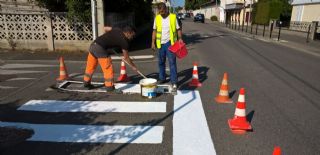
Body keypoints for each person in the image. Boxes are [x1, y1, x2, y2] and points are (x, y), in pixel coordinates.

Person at [83, 26, 137, 93]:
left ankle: (86, 83)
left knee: (90, 66)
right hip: (100, 48)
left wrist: (107, 40)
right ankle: (110, 88)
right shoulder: (124, 42)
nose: (132, 38)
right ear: (128, 33)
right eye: (132, 35)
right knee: (108, 68)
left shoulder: (117, 29)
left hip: (93, 45)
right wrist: (133, 66)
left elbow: (105, 28)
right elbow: (126, 57)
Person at [151, 2, 183, 91]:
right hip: (160, 44)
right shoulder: (157, 18)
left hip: (171, 43)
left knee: (172, 63)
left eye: (162, 11)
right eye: (159, 12)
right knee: (161, 62)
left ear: (166, 9)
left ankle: (174, 82)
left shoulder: (173, 17)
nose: (161, 13)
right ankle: (162, 78)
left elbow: (178, 29)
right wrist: (152, 42)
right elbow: (154, 30)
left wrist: (180, 38)